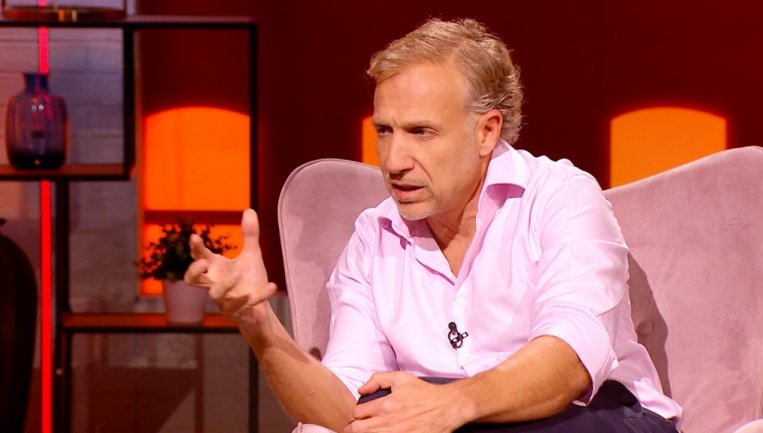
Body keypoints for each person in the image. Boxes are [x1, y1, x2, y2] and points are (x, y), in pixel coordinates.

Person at [185, 18, 682, 433]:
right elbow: (344, 408)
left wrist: (450, 406)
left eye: (421, 132)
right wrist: (260, 326)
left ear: (485, 132)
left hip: (597, 417)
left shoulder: (560, 197)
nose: (393, 160)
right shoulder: (373, 237)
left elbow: (570, 359)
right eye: (384, 131)